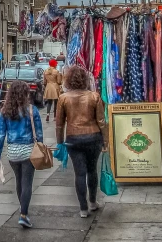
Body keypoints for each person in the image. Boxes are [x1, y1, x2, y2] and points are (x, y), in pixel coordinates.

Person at [55, 66, 108, 218]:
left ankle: (83, 208)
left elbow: (59, 124)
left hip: (73, 139)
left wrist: (60, 143)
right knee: (92, 170)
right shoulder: (94, 96)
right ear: (85, 79)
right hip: (93, 137)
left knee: (79, 173)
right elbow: (101, 121)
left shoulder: (63, 98)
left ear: (68, 80)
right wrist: (105, 139)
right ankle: (92, 202)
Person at [0, 80, 43, 229]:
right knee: (27, 183)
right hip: (28, 151)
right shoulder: (31, 110)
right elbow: (39, 133)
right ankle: (23, 214)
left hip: (13, 153)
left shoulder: (4, 111)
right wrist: (40, 146)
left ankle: (23, 209)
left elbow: (0, 135)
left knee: (19, 181)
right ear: (25, 94)